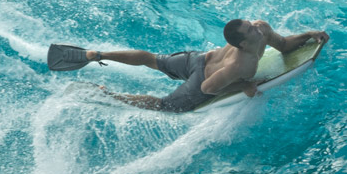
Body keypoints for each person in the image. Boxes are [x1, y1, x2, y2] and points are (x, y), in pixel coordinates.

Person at [80, 20, 329, 112]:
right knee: (164, 105)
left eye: (251, 24)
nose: (257, 26)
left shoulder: (261, 30)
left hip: (198, 58)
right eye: (250, 29)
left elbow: (284, 45)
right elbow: (210, 88)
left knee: (152, 60)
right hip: (201, 79)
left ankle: (99, 54)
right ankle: (109, 95)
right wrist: (246, 85)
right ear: (243, 42)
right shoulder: (239, 65)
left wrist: (308, 35)